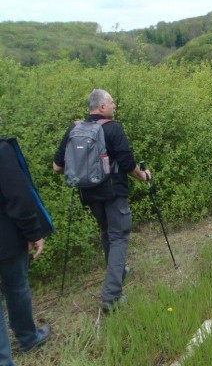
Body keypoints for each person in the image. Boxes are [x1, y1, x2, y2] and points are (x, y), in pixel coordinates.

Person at [53, 89, 151, 313]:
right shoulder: (113, 129)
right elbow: (127, 165)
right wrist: (143, 176)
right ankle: (111, 297)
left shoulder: (74, 129)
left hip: (89, 193)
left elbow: (57, 167)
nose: (114, 104)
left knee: (107, 233)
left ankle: (118, 272)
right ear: (101, 107)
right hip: (114, 193)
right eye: (111, 102)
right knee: (119, 237)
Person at [1, 140, 51, 365]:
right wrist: (33, 231)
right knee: (17, 287)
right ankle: (28, 339)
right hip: (6, 240)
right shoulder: (1, 149)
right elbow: (18, 196)